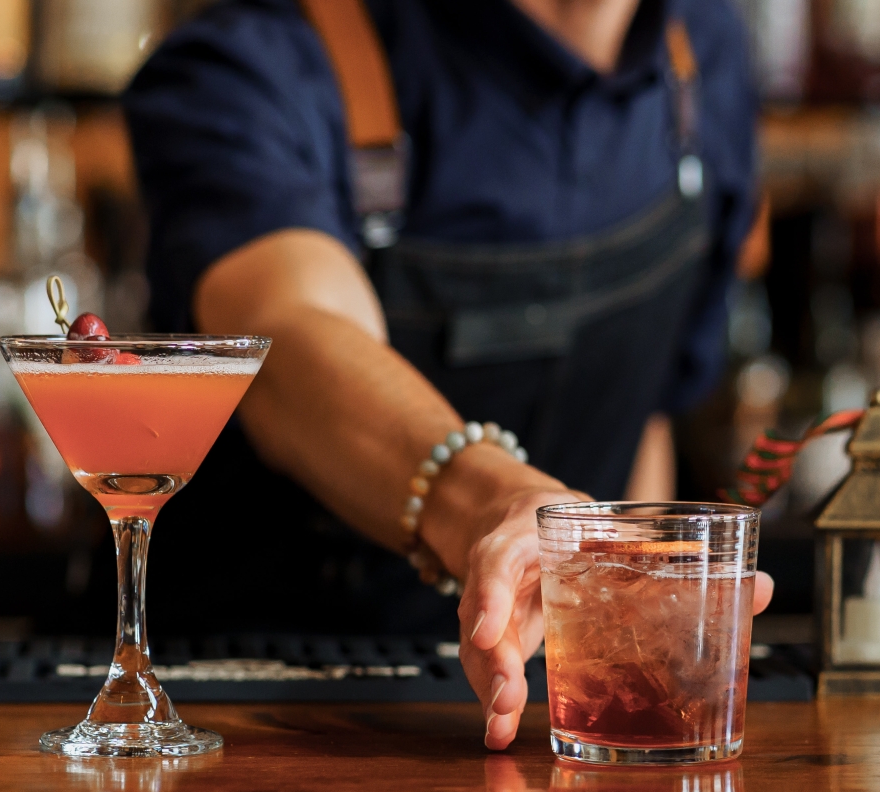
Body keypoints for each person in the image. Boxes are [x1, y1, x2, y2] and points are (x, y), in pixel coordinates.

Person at [123, 0, 772, 750]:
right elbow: (286, 341)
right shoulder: (258, 61)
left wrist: (640, 647)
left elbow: (647, 414)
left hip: (545, 727)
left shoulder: (703, 53)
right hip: (265, 722)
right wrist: (496, 502)